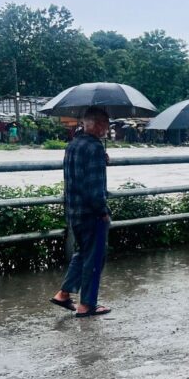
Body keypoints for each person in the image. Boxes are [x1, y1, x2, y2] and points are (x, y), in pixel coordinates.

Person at [51, 107, 112, 318]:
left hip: (74, 211)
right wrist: (103, 211)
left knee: (82, 253)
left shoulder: (74, 144)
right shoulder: (93, 147)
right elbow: (94, 188)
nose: (107, 128)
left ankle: (63, 294)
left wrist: (100, 159)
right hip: (91, 212)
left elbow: (79, 174)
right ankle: (87, 305)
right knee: (95, 258)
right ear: (95, 124)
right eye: (104, 123)